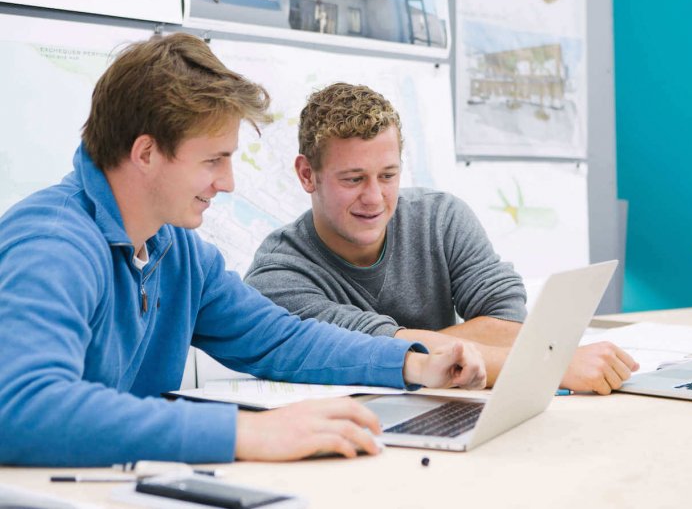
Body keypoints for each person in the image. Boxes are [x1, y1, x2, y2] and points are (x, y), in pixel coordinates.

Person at [0, 35, 486, 467]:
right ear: (145, 153)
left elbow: (281, 340)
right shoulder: (53, 244)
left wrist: (412, 363)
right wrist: (244, 432)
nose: (227, 183)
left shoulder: (179, 252)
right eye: (213, 160)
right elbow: (23, 407)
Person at [245, 82, 639, 392]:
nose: (374, 198)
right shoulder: (278, 275)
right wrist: (550, 365)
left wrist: (420, 349)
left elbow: (507, 319)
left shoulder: (440, 218)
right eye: (353, 179)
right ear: (306, 174)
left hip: (450, 411)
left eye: (387, 175)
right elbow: (376, 351)